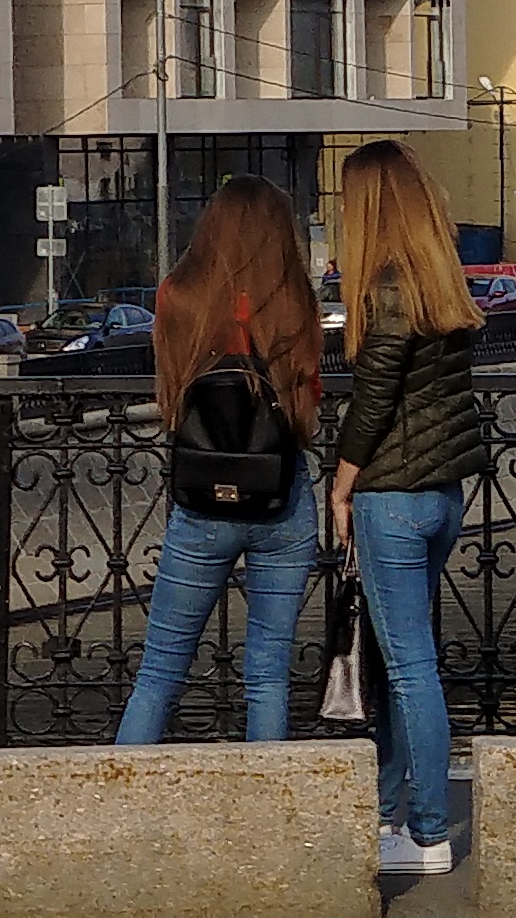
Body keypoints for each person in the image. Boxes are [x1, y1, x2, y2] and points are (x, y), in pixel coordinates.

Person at [113, 175, 327, 745]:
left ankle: (118, 793)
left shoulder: (177, 296)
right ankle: (266, 795)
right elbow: (307, 413)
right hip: (280, 496)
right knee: (268, 673)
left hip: (203, 494)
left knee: (159, 672)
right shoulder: (294, 302)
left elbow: (170, 399)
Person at [329, 138, 484, 877]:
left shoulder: (386, 288)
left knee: (410, 668)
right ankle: (389, 815)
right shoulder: (437, 278)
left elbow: (373, 403)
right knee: (400, 663)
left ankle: (425, 834)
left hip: (392, 497)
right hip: (442, 495)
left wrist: (341, 486)